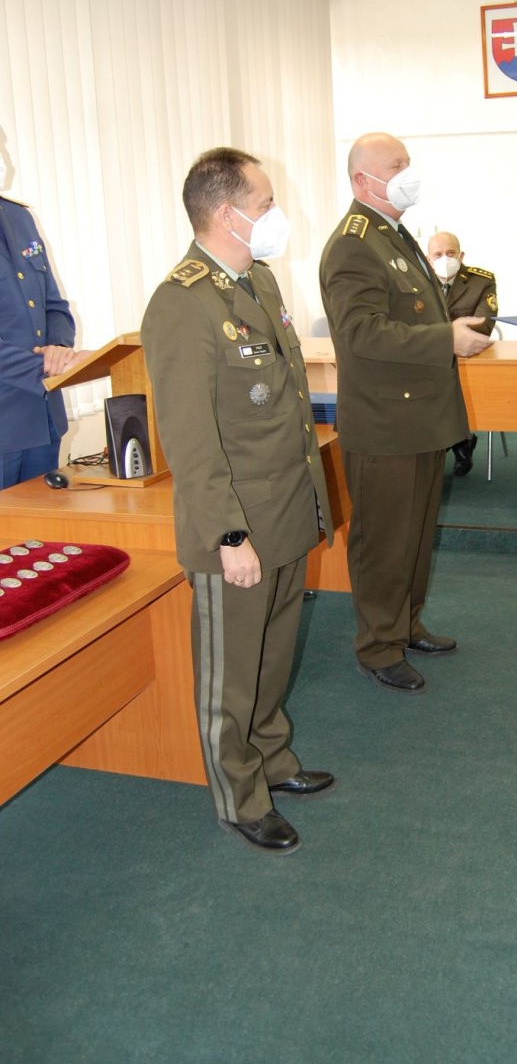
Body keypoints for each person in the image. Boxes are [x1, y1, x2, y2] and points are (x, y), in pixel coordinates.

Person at [142, 147, 335, 855]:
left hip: (283, 507)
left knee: (272, 655)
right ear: (227, 214)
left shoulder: (257, 278)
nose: (275, 214)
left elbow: (282, 400)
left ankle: (273, 758)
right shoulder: (182, 302)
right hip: (237, 525)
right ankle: (240, 798)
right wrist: (228, 535)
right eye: (265, 204)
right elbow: (190, 439)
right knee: (230, 672)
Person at [319, 132, 493, 694]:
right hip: (384, 423)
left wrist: (448, 332)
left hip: (418, 418)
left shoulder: (391, 234)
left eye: (407, 163)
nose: (408, 173)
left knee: (414, 536)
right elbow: (362, 332)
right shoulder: (352, 244)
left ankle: (406, 625)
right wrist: (446, 338)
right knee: (384, 541)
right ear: (363, 179)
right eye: (396, 165)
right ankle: (378, 645)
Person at [0, 193, 89, 489]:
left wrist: (59, 349)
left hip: (43, 420)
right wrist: (49, 367)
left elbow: (54, 305)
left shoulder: (18, 216)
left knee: (43, 519)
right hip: (5, 422)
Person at [427, 230, 498, 475]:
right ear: (428, 259)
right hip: (430, 360)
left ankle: (458, 440)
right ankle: (458, 441)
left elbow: (483, 326)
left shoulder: (482, 280)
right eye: (438, 254)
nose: (445, 259)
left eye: (450, 253)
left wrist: (435, 338)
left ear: (461, 255)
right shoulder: (417, 282)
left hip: (468, 359)